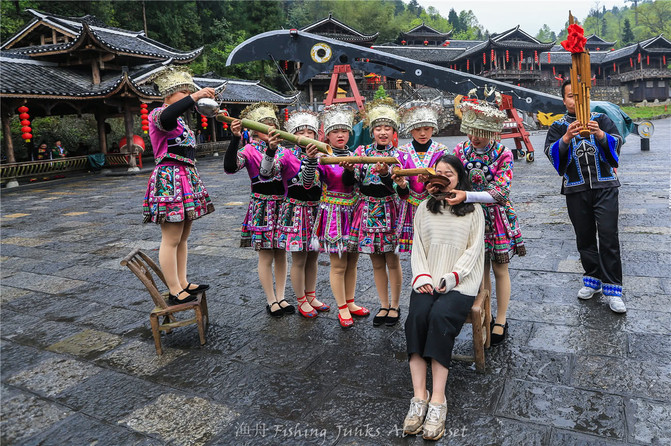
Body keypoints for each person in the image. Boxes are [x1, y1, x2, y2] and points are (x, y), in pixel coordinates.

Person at [403, 154, 484, 441]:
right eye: (437, 172)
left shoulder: (473, 209)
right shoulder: (424, 207)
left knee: (439, 317)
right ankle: (418, 396)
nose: (442, 176)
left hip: (460, 282)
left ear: (459, 178)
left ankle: (438, 399)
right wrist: (422, 276)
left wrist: (451, 277)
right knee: (416, 318)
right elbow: (418, 248)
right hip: (428, 278)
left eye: (449, 173)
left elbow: (474, 252)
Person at [544, 79, 625, 313]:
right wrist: (566, 138)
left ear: (588, 97)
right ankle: (592, 278)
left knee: (609, 236)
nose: (575, 100)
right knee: (584, 236)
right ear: (564, 100)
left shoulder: (602, 120)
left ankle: (613, 288)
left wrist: (600, 135)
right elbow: (552, 155)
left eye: (580, 96)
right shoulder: (558, 126)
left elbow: (616, 146)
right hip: (576, 189)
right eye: (570, 96)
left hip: (605, 186)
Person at [450, 95, 526, 345]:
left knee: (499, 268)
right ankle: (485, 313)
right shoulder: (460, 151)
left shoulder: (504, 153)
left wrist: (466, 194)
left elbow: (501, 192)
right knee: (478, 270)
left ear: (492, 131)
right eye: (471, 131)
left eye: (480, 132)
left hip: (495, 217)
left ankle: (501, 318)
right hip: (469, 217)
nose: (474, 137)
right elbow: (453, 178)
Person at [142, 66, 215, 305]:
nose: (186, 95)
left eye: (188, 91)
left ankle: (182, 281)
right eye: (182, 92)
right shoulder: (158, 114)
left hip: (185, 176)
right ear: (168, 94)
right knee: (171, 238)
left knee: (183, 237)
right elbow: (166, 117)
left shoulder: (182, 122)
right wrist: (194, 96)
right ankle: (174, 287)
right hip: (169, 178)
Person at [223, 102, 293, 317]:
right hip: (261, 205)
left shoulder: (286, 151)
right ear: (253, 129)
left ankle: (281, 296)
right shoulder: (249, 150)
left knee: (281, 253)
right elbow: (230, 167)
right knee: (265, 255)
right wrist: (235, 139)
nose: (268, 127)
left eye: (272, 123)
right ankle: (270, 300)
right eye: (262, 124)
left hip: (283, 205)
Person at [343, 98, 403, 327]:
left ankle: (395, 305)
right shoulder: (361, 152)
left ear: (394, 131)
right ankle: (384, 304)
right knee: (376, 262)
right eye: (378, 128)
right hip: (366, 209)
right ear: (372, 131)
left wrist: (387, 174)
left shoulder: (400, 154)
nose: (383, 132)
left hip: (390, 208)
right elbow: (352, 182)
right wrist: (348, 170)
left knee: (392, 260)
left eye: (387, 128)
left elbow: (396, 187)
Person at [312, 105, 369, 328]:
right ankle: (342, 307)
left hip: (354, 211)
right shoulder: (321, 157)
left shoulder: (355, 156)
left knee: (352, 262)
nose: (340, 135)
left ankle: (351, 301)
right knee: (338, 264)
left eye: (344, 131)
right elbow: (312, 184)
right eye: (335, 131)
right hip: (334, 213)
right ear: (327, 135)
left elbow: (356, 183)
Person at [273, 110, 330, 318]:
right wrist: (311, 160)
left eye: (311, 131)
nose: (307, 135)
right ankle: (301, 300)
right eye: (301, 131)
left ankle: (311, 295)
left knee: (313, 256)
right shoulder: (287, 155)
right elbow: (306, 184)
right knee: (299, 258)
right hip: (296, 210)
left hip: (316, 209)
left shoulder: (323, 155)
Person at [396, 101, 448, 253]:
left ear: (434, 128)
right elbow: (397, 184)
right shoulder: (401, 152)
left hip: (435, 204)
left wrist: (433, 181)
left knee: (436, 251)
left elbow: (448, 179)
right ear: (411, 130)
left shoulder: (442, 151)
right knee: (415, 255)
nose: (423, 133)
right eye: (417, 129)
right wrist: (401, 185)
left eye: (427, 129)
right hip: (410, 205)